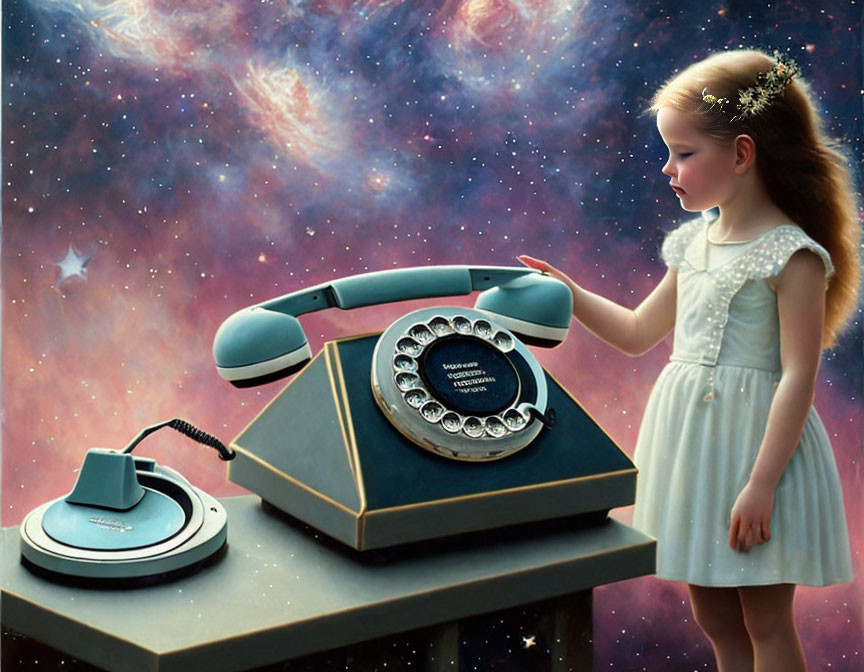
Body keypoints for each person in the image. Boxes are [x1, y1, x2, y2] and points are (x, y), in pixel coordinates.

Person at [519, 48, 860, 672]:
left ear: (742, 153)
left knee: (763, 616)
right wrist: (568, 291)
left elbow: (798, 375)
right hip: (694, 451)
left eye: (684, 153)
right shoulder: (696, 242)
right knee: (715, 617)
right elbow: (636, 332)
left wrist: (762, 485)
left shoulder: (793, 256)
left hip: (759, 450)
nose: (668, 169)